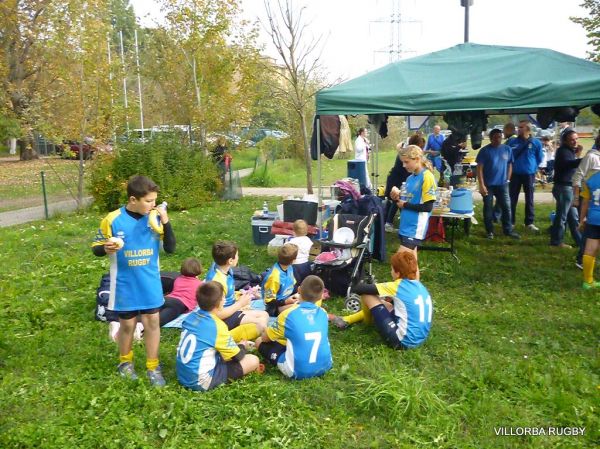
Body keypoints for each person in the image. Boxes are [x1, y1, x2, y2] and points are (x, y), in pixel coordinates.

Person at [91, 175, 176, 387]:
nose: (153, 204)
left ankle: (153, 366)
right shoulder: (112, 219)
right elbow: (96, 248)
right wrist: (105, 248)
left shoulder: (155, 218)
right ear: (133, 199)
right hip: (124, 283)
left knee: (152, 323)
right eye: (148, 201)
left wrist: (166, 221)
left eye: (155, 200)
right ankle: (125, 363)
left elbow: (171, 248)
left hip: (149, 283)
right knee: (127, 324)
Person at [333, 250, 432, 350]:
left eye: (392, 269)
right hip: (419, 339)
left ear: (397, 273)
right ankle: (348, 319)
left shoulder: (397, 286)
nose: (391, 272)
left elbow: (359, 289)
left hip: (402, 342)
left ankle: (367, 324)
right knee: (386, 303)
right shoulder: (420, 286)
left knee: (368, 295)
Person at [176, 281, 261, 391]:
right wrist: (242, 345)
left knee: (222, 353)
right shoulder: (217, 326)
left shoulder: (190, 317)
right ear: (219, 303)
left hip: (183, 375)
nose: (225, 300)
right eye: (223, 298)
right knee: (253, 360)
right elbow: (238, 357)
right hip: (200, 381)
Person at [256, 275, 332, 379]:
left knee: (259, 341)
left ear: (299, 289)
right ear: (320, 296)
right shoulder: (323, 313)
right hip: (326, 365)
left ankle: (286, 363)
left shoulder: (288, 314)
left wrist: (264, 327)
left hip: (297, 371)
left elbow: (265, 338)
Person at [205, 241, 269, 341]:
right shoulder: (218, 283)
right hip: (222, 317)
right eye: (237, 255)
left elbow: (226, 295)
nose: (238, 258)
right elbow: (217, 314)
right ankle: (225, 340)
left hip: (231, 308)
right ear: (230, 260)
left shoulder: (221, 266)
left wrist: (241, 295)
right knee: (260, 323)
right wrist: (240, 304)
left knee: (264, 315)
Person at [390, 145, 437, 259]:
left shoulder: (427, 177)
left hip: (415, 228)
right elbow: (404, 202)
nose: (404, 165)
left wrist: (405, 204)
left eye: (406, 162)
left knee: (399, 263)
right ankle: (414, 278)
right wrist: (396, 197)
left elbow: (428, 207)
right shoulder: (410, 178)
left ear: (417, 159)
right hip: (405, 225)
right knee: (411, 265)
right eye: (402, 162)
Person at [476, 129, 520, 240]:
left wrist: (508, 179)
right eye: (495, 137)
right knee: (488, 208)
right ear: (490, 138)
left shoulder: (507, 149)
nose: (498, 139)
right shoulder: (485, 151)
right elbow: (479, 168)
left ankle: (508, 230)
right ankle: (489, 231)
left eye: (500, 137)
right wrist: (481, 185)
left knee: (506, 207)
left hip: (502, 184)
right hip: (488, 185)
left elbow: (510, 164)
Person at [506, 120, 543, 231]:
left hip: (529, 174)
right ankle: (510, 221)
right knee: (512, 198)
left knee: (530, 198)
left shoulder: (536, 142)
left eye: (521, 127)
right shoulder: (512, 142)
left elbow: (539, 158)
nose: (518, 129)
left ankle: (529, 222)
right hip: (515, 174)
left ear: (528, 129)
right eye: (518, 127)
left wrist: (532, 167)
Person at [384, 135, 424, 232]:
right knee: (396, 201)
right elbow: (404, 171)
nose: (404, 165)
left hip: (398, 179)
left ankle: (396, 221)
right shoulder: (406, 155)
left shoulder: (406, 153)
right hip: (396, 180)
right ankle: (388, 223)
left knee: (397, 200)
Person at [550, 129, 582, 249]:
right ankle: (556, 242)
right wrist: (583, 159)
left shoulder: (569, 151)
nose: (575, 142)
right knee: (562, 216)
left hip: (568, 187)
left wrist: (577, 155)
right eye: (572, 140)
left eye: (576, 139)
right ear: (565, 140)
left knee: (573, 217)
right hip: (563, 187)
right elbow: (568, 164)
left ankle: (580, 241)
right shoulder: (563, 151)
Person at [572, 131, 600, 269]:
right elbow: (577, 177)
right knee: (589, 230)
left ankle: (590, 257)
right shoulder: (591, 157)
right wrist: (576, 198)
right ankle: (581, 259)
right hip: (588, 198)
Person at [159, 257, 202, 327]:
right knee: (163, 318)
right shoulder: (199, 284)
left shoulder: (178, 279)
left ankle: (138, 321)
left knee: (151, 314)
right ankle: (142, 327)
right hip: (179, 304)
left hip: (166, 299)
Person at [262, 243, 298, 317]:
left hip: (288, 298)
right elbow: (269, 301)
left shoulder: (289, 267)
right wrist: (285, 302)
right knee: (298, 308)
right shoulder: (274, 277)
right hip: (274, 307)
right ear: (293, 260)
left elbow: (292, 285)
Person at [579, 170, 600, 290]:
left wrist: (581, 220)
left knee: (590, 249)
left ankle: (588, 282)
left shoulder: (591, 179)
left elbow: (585, 203)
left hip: (594, 218)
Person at [287, 219, 313, 285]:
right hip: (306, 265)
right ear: (306, 231)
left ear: (294, 231)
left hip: (294, 265)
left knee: (295, 282)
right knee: (305, 281)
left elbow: (285, 251)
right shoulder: (308, 241)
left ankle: (296, 291)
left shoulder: (292, 242)